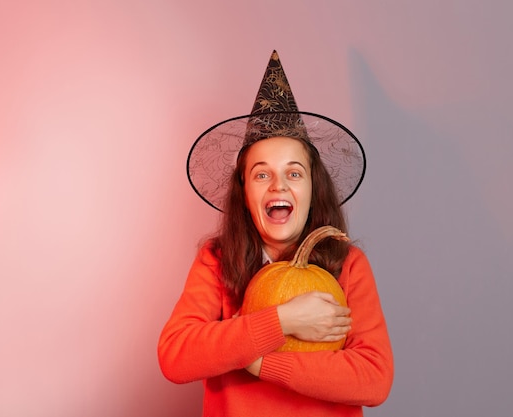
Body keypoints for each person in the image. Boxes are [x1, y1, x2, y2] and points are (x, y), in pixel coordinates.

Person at [158, 50, 393, 417]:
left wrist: (261, 363)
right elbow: (177, 355)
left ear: (314, 188)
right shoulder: (216, 262)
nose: (277, 185)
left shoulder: (348, 265)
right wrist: (284, 320)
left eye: (294, 173)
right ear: (245, 190)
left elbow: (374, 378)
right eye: (262, 174)